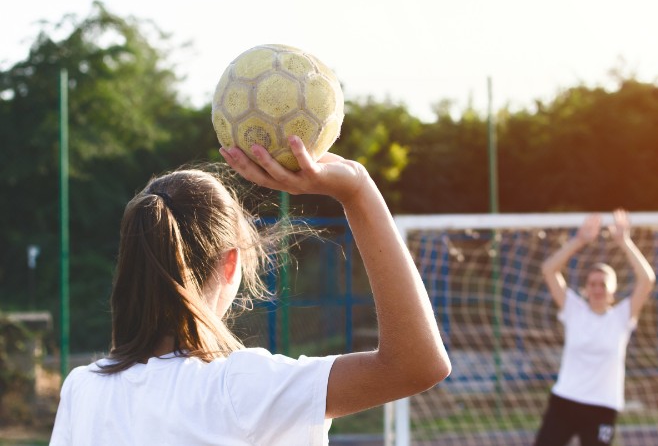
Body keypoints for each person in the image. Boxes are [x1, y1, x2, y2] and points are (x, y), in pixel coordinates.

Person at [50, 136, 451, 445]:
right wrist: (357, 190)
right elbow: (419, 365)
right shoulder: (240, 388)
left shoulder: (83, 389)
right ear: (230, 263)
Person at [533, 210, 655, 446]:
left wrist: (624, 241)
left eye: (603, 284)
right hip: (565, 401)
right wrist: (579, 240)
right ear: (586, 289)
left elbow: (647, 280)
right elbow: (549, 269)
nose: (597, 288)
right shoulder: (574, 309)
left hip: (602, 406)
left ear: (613, 291)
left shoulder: (622, 316)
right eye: (592, 284)